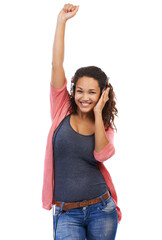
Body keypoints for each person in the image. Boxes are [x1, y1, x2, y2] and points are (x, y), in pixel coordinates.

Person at [42, 3, 122, 240]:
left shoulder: (105, 125)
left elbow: (101, 154)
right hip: (67, 212)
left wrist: (98, 113)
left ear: (102, 94)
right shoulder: (62, 109)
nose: (84, 97)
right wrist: (61, 22)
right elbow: (57, 65)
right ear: (73, 90)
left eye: (92, 92)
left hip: (101, 209)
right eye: (80, 90)